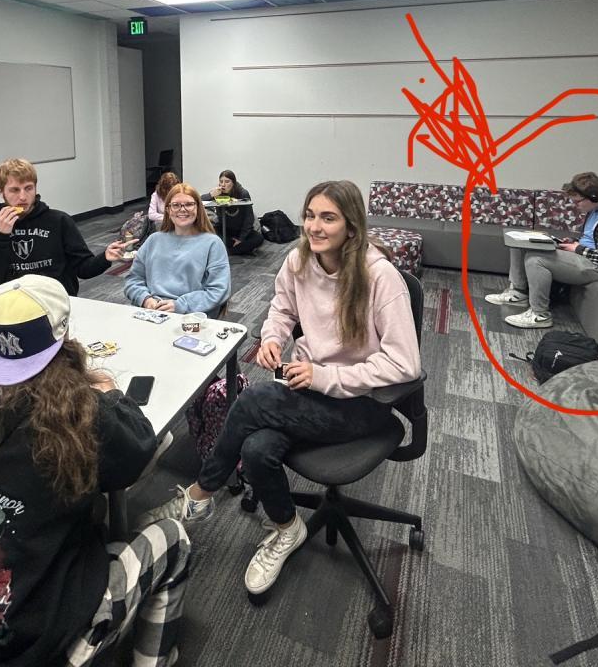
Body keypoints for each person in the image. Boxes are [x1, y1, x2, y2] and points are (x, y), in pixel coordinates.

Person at [140, 180, 420, 595]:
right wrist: (272, 337)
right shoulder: (298, 260)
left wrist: (325, 377)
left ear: (351, 226)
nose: (314, 226)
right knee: (256, 450)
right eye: (310, 215)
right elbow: (281, 309)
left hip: (361, 404)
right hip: (308, 389)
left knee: (255, 398)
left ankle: (200, 493)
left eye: (328, 218)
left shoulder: (380, 276)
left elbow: (405, 364)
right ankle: (288, 528)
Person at [0, 275, 188, 666]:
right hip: (29, 652)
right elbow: (138, 451)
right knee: (174, 539)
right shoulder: (79, 414)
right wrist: (110, 393)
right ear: (64, 335)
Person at [486, 171, 598, 328]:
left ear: (594, 197)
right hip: (586, 254)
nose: (575, 206)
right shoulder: (596, 209)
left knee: (536, 260)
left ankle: (540, 315)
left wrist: (579, 249)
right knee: (520, 243)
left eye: (577, 202)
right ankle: (518, 293)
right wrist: (574, 243)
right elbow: (593, 238)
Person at [0, 158, 126, 295]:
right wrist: (1, 236)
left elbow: (83, 268)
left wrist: (105, 258)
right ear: (1, 192)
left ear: (35, 188)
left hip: (55, 299)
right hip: (11, 300)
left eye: (28, 188)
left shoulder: (59, 221)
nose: (23, 197)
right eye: (14, 190)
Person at [124, 182, 231, 315]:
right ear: (168, 210)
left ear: (198, 208)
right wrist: (145, 299)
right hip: (151, 312)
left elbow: (219, 290)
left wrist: (180, 305)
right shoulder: (153, 240)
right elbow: (133, 279)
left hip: (190, 316)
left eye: (189, 204)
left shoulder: (213, 244)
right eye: (176, 205)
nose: (182, 209)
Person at [201, 169, 263, 256]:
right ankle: (240, 249)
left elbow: (248, 218)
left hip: (240, 230)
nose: (223, 184)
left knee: (258, 238)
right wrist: (210, 195)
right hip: (225, 229)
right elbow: (198, 200)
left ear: (233, 183)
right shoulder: (218, 193)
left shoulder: (243, 193)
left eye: (227, 182)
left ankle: (229, 251)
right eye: (221, 181)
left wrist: (241, 239)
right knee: (208, 232)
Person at [144, 171, 180, 240]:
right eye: (170, 190)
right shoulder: (156, 195)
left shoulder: (180, 194)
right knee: (159, 225)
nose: (172, 192)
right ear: (164, 189)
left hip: (178, 221)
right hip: (163, 222)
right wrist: (168, 218)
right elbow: (151, 215)